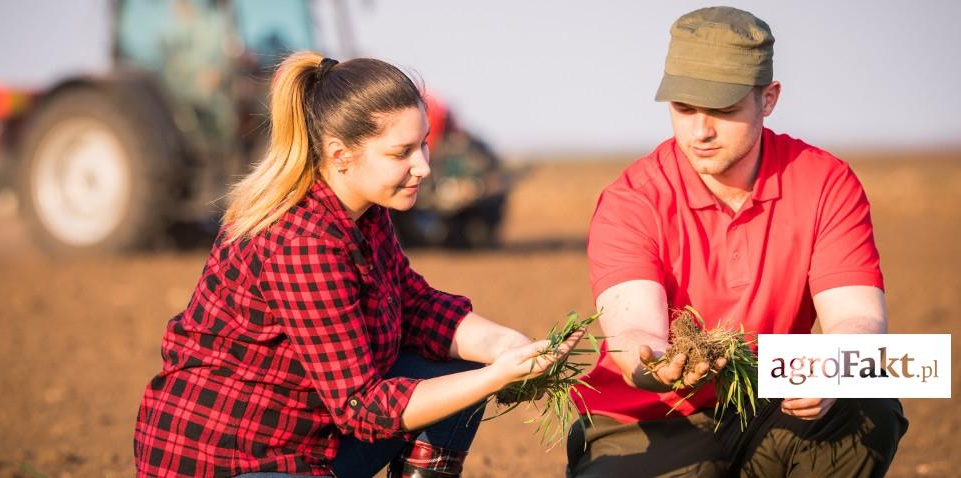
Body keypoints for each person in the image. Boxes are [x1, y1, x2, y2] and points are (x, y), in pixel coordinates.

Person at [134, 51, 583, 478]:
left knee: (460, 375)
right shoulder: (301, 242)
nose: (423, 166)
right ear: (340, 154)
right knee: (469, 383)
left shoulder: (363, 213)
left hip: (309, 441)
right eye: (401, 153)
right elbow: (362, 406)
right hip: (232, 458)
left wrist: (505, 345)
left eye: (423, 145)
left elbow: (416, 306)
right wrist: (495, 377)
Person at [567, 7, 908, 477]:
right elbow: (633, 335)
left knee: (869, 401)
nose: (700, 131)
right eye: (684, 109)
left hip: (770, 401)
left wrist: (831, 369)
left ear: (768, 99)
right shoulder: (632, 200)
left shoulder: (825, 182)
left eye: (723, 110)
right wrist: (660, 364)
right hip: (648, 419)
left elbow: (859, 317)